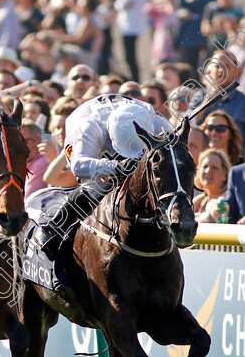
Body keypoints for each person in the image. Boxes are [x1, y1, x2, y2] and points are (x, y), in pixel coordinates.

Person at [34, 94, 172, 254]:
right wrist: (115, 166)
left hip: (132, 133)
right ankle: (53, 229)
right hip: (93, 138)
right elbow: (78, 166)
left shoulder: (156, 123)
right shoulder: (88, 127)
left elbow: (178, 157)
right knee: (94, 187)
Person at [193, 149, 232, 223]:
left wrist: (197, 216)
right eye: (205, 166)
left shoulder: (225, 199)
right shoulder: (200, 200)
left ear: (225, 175)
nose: (208, 171)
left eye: (214, 168)